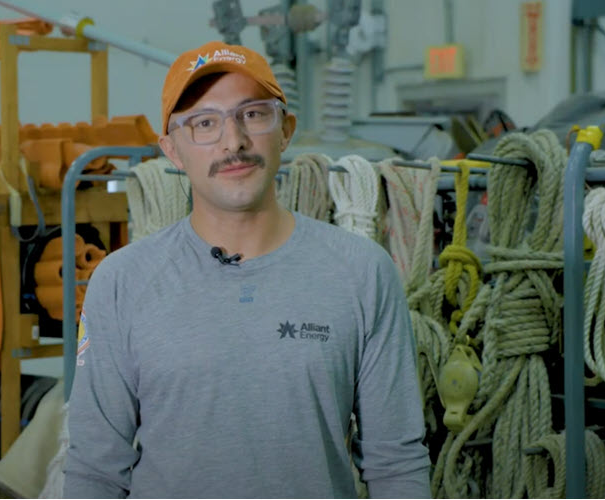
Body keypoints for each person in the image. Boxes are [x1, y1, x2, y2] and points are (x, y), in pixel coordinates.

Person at [63, 40, 430, 499]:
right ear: (172, 150)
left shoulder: (363, 273)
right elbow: (95, 471)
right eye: (204, 123)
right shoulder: (121, 282)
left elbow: (396, 463)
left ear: (286, 130)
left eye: (253, 114)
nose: (233, 141)